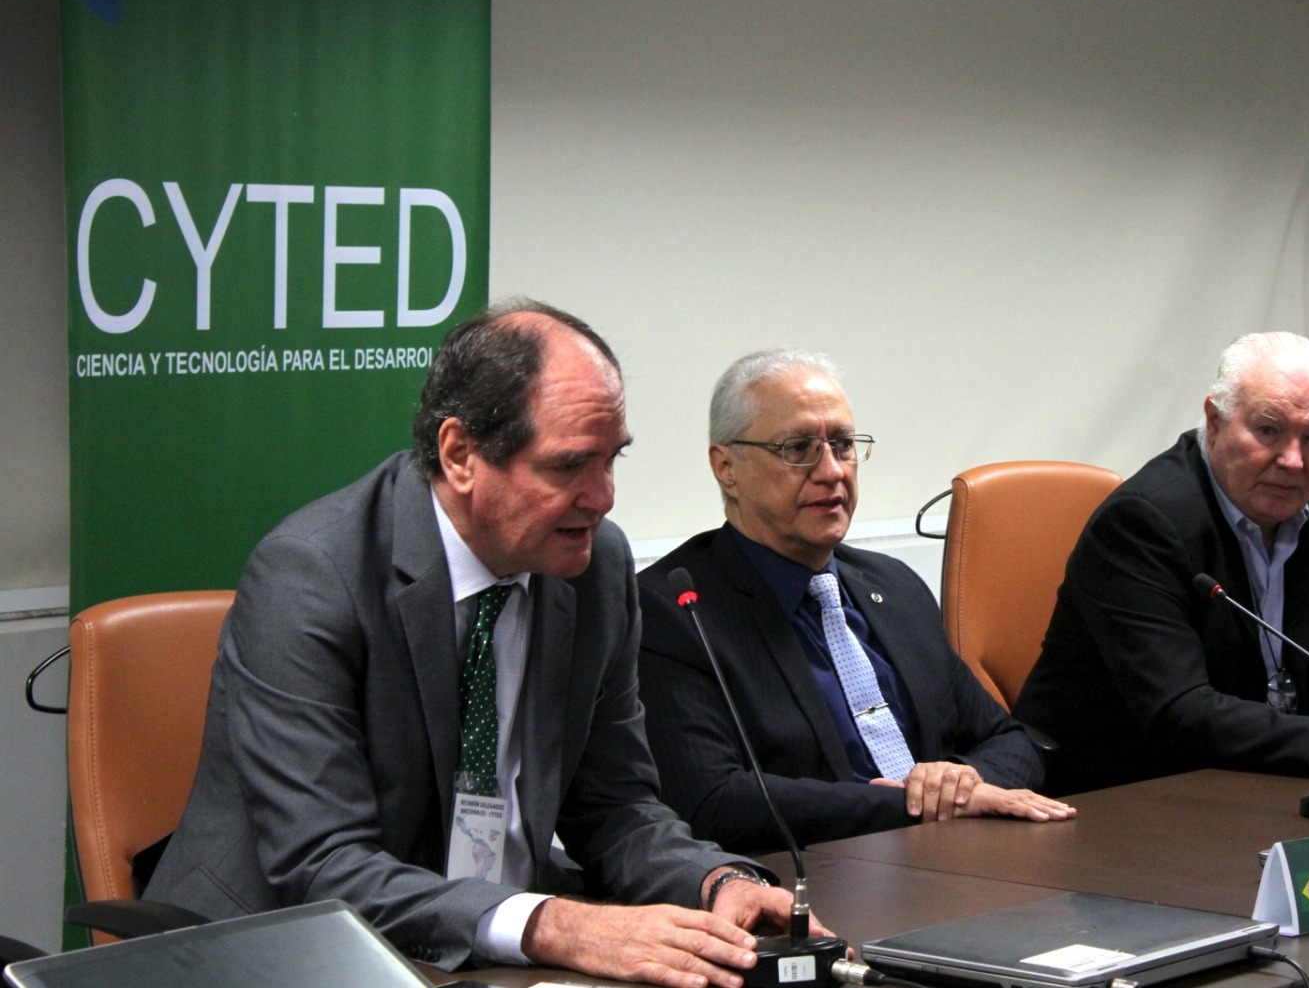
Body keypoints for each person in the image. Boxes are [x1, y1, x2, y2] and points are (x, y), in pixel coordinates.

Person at [147, 301, 815, 988]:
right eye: (569, 466)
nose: (603, 497)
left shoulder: (594, 570)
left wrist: (714, 880)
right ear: (460, 454)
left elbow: (615, 807)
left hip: (493, 954)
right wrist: (554, 925)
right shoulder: (312, 576)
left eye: (611, 460)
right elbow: (324, 865)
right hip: (282, 955)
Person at [637, 348, 1074, 854]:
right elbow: (715, 802)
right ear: (726, 467)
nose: (831, 471)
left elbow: (1012, 741)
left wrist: (960, 783)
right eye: (798, 448)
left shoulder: (895, 586)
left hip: (960, 856)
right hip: (820, 875)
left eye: (843, 445)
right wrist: (911, 806)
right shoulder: (673, 611)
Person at [1013, 331, 1309, 795]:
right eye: (1268, 430)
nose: (1293, 460)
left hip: (1272, 780)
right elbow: (1180, 711)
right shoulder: (1143, 522)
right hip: (1125, 793)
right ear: (1215, 420)